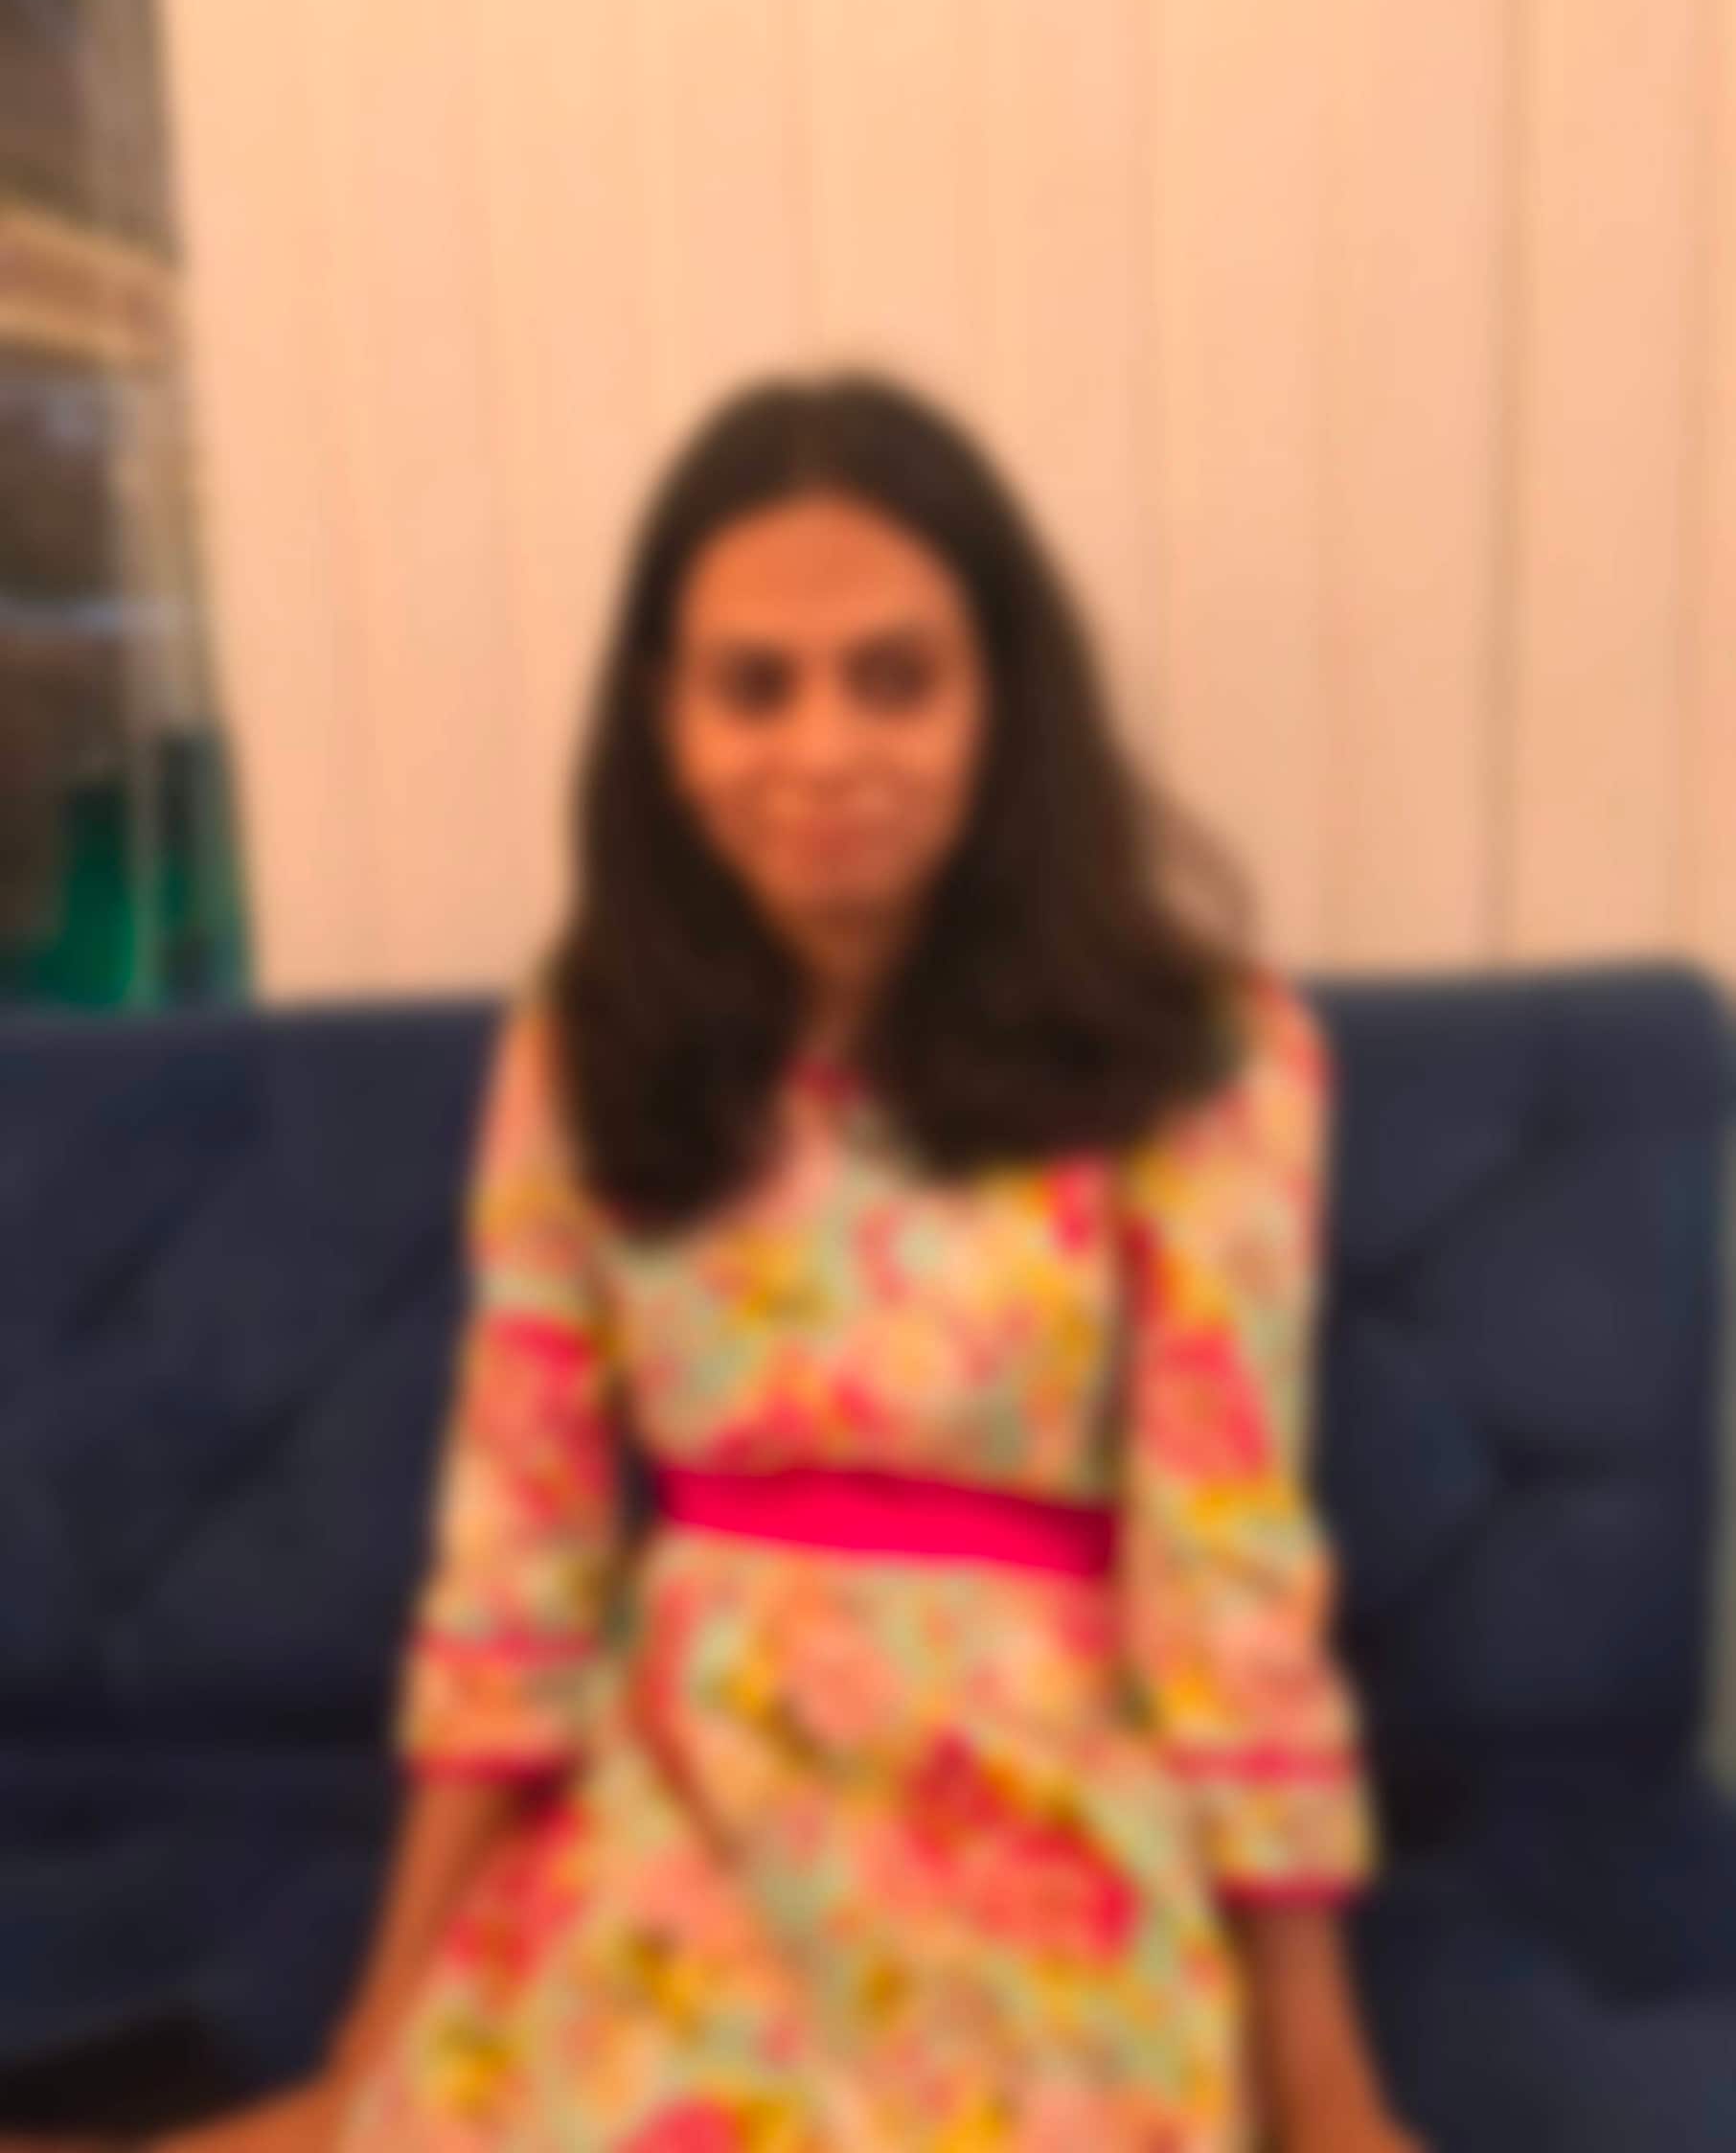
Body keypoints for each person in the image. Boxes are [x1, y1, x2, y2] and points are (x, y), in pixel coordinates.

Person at [161, 374, 1421, 2153]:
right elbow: (516, 1552)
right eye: (755, 687)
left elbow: (1229, 1570)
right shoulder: (583, 1046)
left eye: (895, 679)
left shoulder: (1201, 1055)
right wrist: (374, 2049)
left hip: (1032, 1814)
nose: (824, 752)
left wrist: (1329, 2090)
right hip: (688, 1806)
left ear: (1002, 703)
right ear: (666, 723)